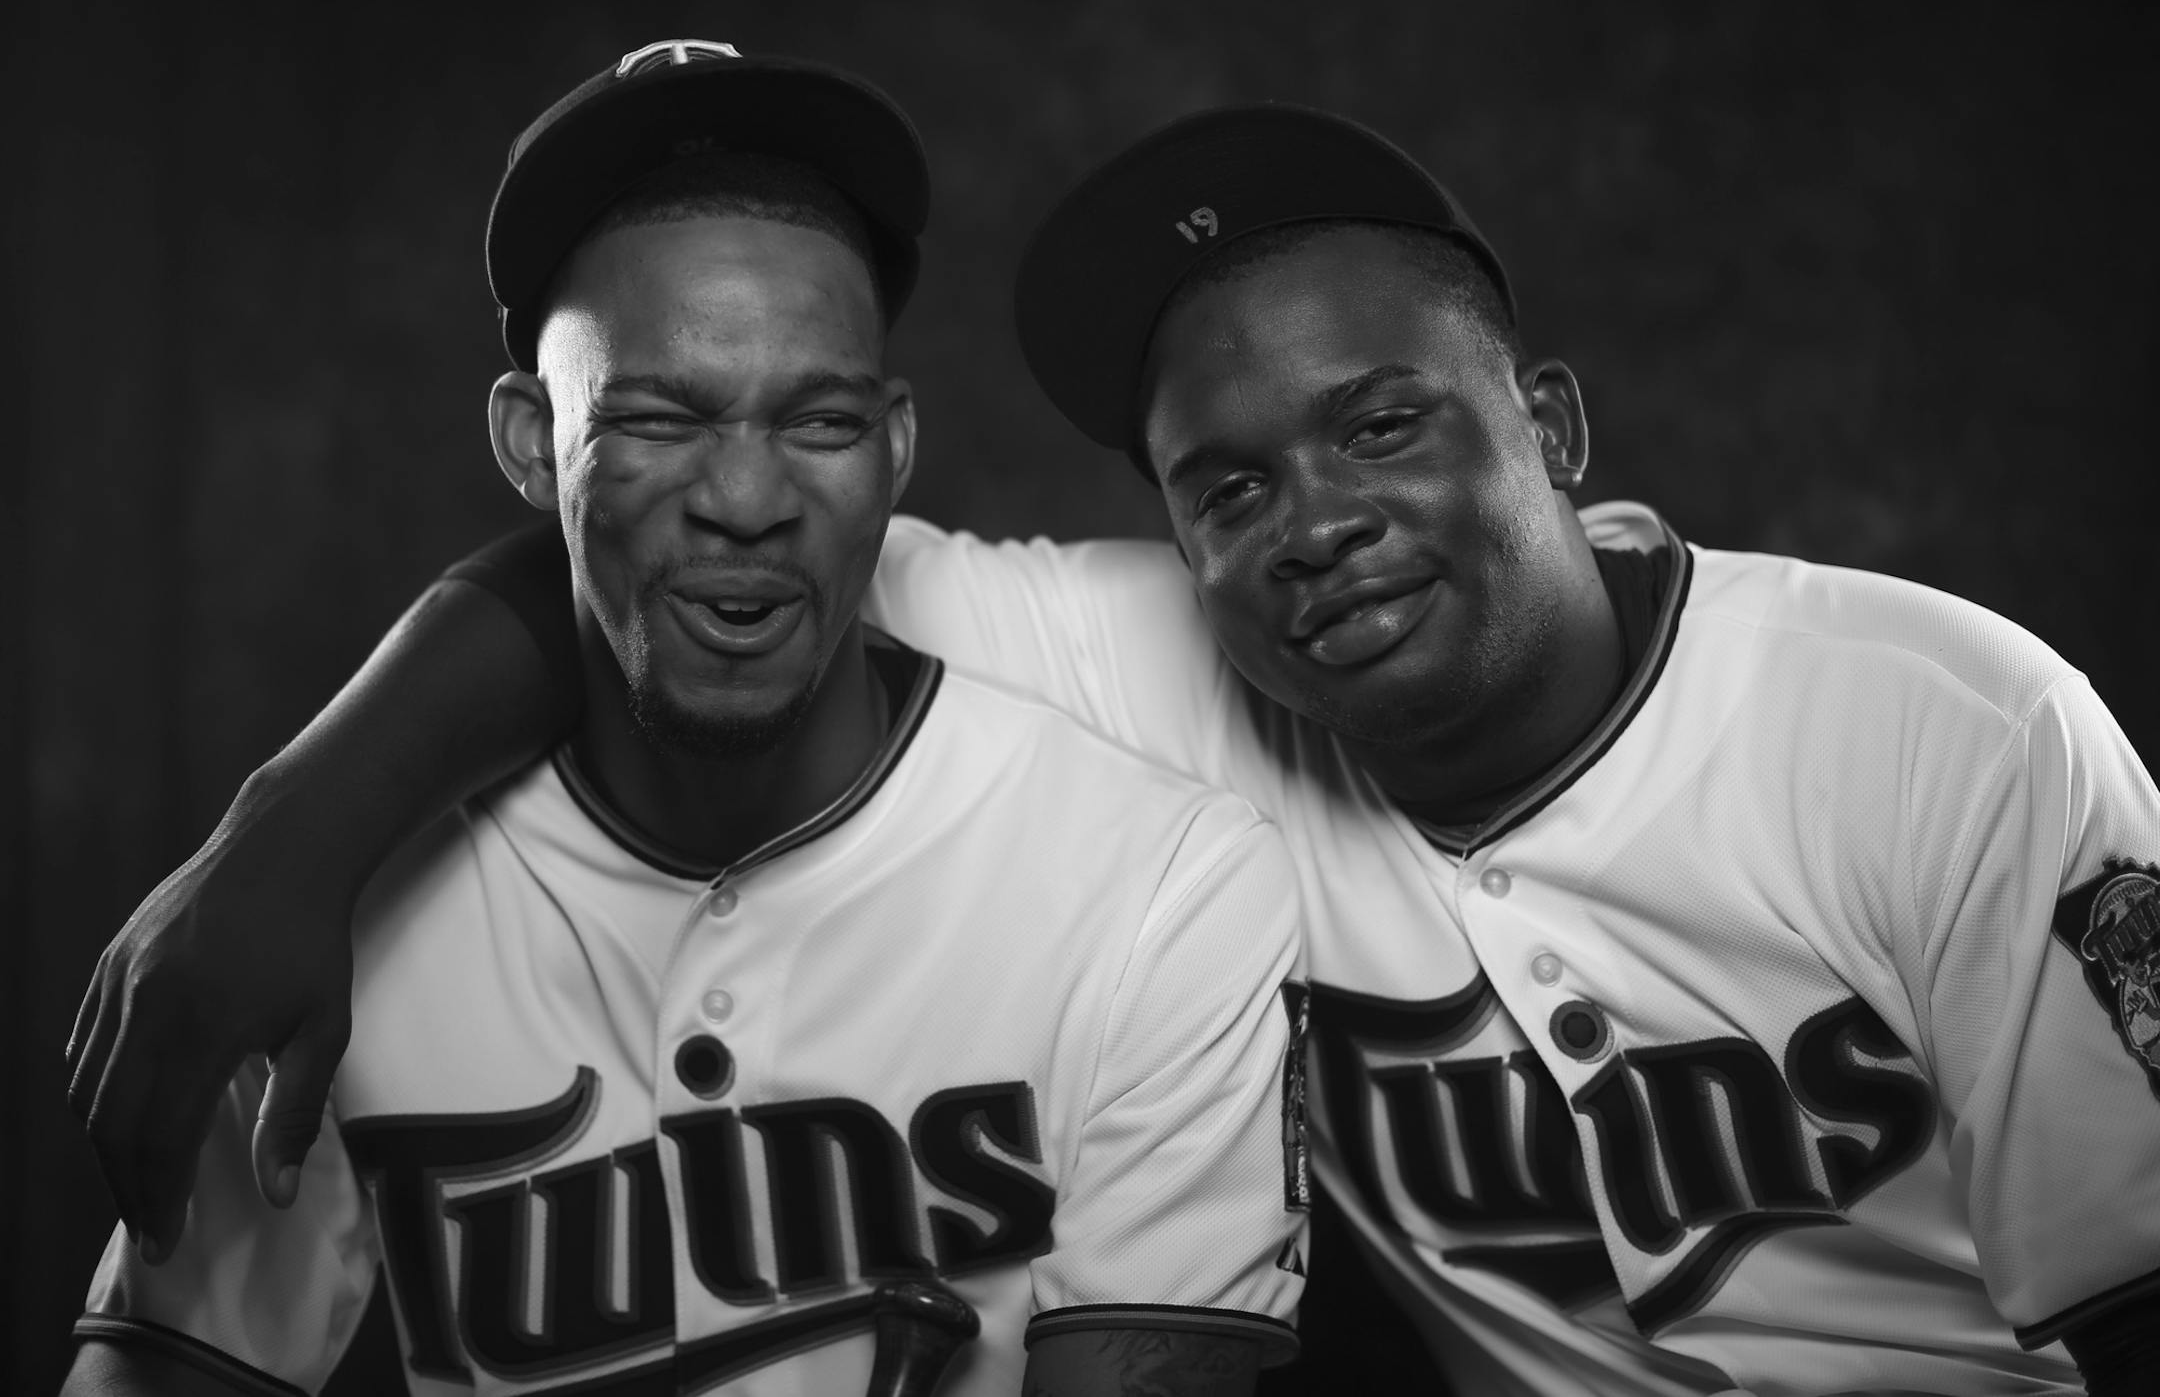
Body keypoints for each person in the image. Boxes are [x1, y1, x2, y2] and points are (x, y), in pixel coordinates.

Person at [68, 99, 2160, 1396]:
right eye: (1220, 484)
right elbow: (680, 565)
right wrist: (291, 841)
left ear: (1559, 426)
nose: (1312, 523)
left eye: (1384, 423)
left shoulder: (1942, 725)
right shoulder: (1186, 674)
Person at [61, 42, 1314, 1397]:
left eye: (819, 422)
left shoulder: (1160, 878)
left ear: (896, 446)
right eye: (660, 417)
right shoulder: (333, 915)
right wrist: (289, 842)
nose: (746, 496)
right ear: (534, 443)